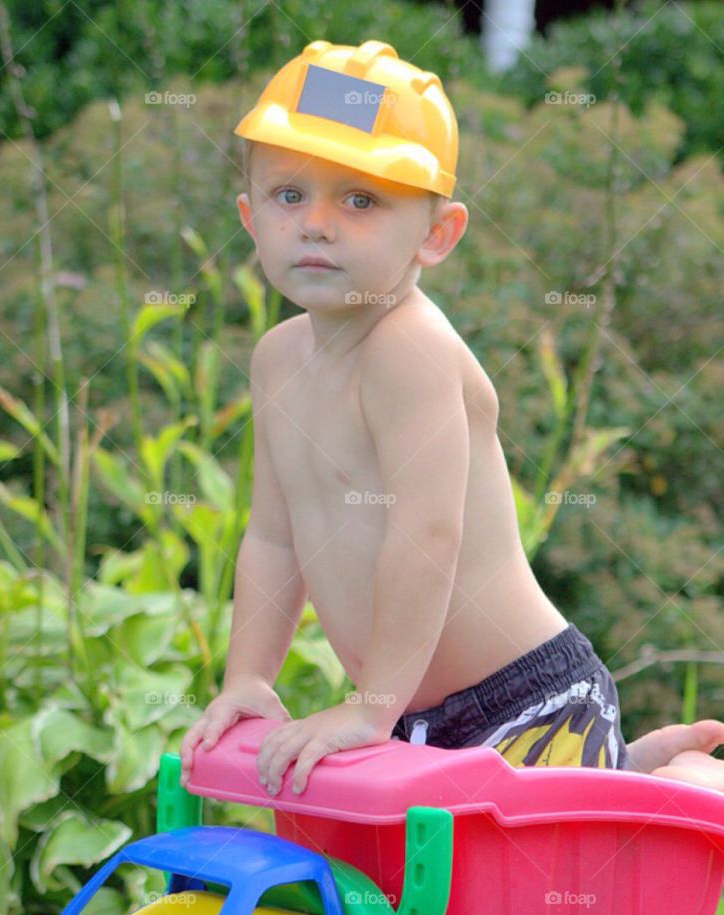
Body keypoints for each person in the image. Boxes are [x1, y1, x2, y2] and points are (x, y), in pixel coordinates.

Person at [179, 40, 724, 797]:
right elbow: (273, 537)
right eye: (288, 195)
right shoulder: (277, 360)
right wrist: (246, 677)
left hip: (523, 703)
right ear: (249, 215)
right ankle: (626, 767)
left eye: (360, 200)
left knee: (556, 884)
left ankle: (677, 785)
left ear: (436, 235)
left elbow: (425, 534)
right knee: (444, 903)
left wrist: (370, 708)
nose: (315, 223)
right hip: (411, 714)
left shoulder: (410, 349)